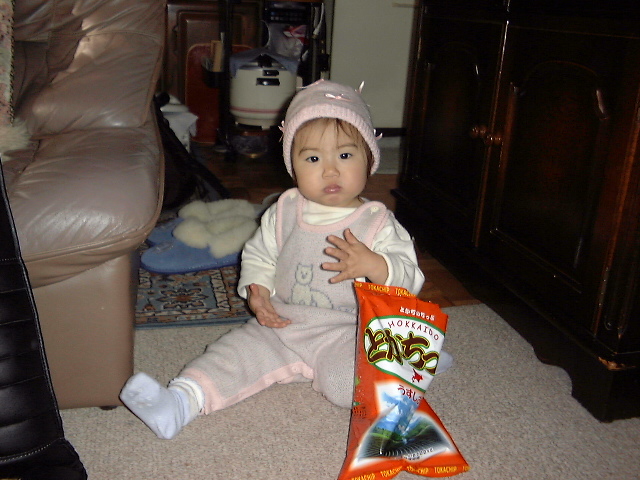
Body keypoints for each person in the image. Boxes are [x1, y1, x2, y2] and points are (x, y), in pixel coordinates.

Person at [120, 80, 428, 440]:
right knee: (231, 354)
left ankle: (410, 366)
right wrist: (259, 290)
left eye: (345, 156)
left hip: (350, 331)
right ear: (292, 166)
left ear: (370, 159)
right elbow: (259, 255)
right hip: (282, 323)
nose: (330, 170)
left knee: (351, 385)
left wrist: (377, 266)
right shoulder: (283, 211)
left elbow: (411, 279)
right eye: (313, 158)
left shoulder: (377, 223)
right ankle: (181, 402)